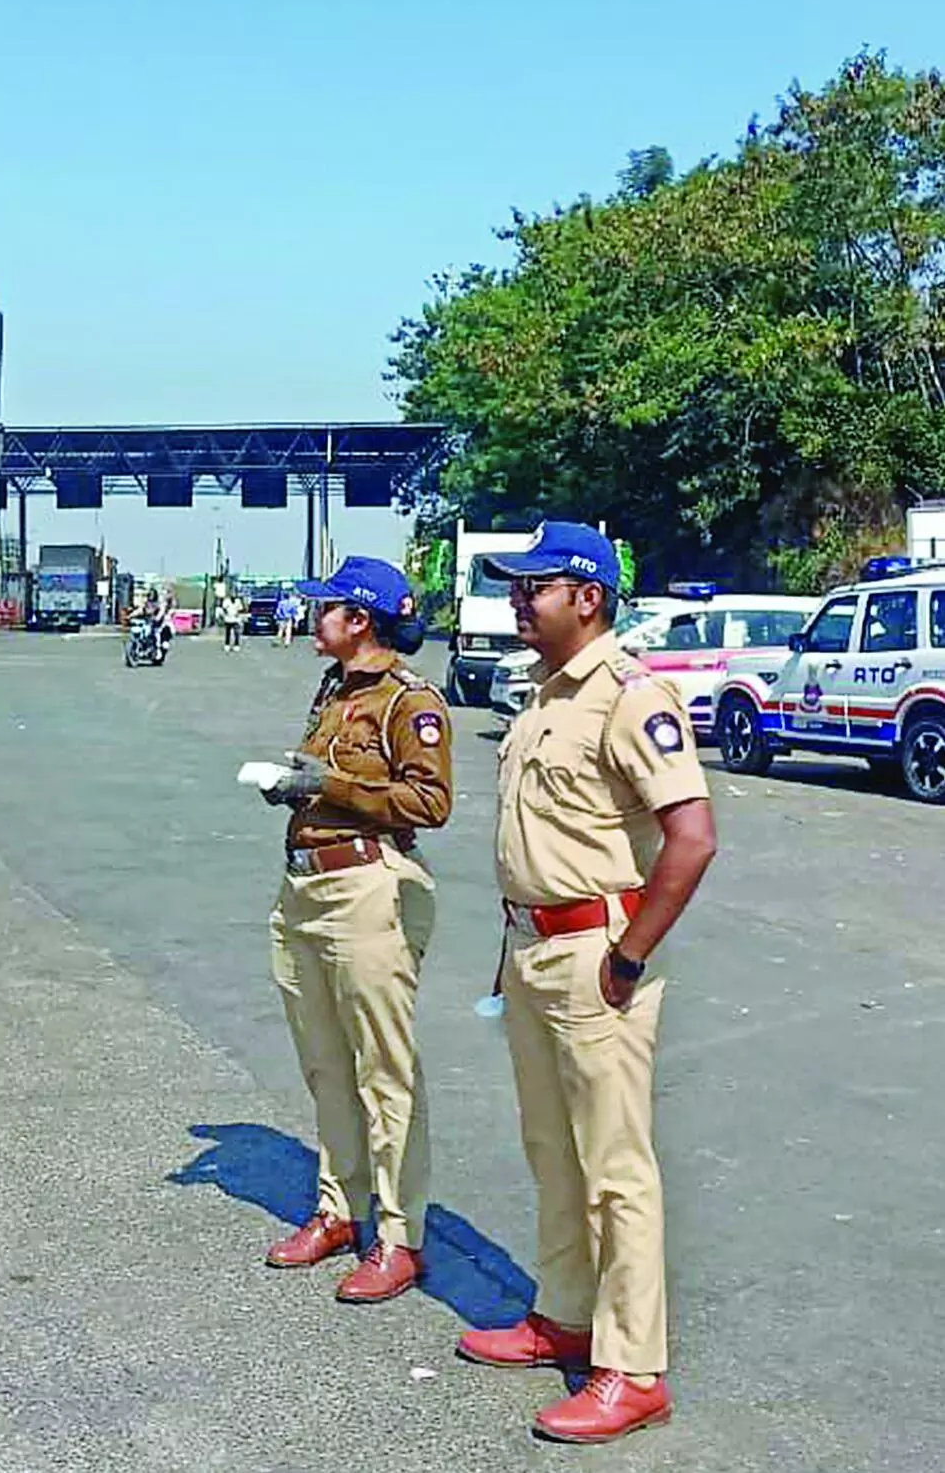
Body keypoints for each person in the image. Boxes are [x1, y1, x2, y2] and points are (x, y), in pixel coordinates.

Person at [459, 523, 717, 1444]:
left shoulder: (626, 696)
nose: (519, 599)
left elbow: (690, 835)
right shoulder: (539, 698)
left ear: (589, 596)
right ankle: (561, 1313)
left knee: (615, 1168)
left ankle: (631, 1366)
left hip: (594, 954)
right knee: (551, 1151)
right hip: (531, 949)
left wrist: (628, 955)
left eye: (537, 585)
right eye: (515, 585)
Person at [258, 556, 452, 1303]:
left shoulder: (411, 700)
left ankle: (399, 1235)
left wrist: (327, 785)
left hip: (367, 888)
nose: (313, 617)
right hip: (306, 882)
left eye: (326, 607)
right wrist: (296, 792)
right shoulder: (334, 688)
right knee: (324, 1062)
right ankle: (339, 1208)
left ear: (359, 618)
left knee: (383, 1070)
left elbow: (428, 801)